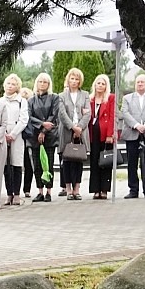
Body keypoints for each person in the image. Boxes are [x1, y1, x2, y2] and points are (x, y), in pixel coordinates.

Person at [120, 74, 145, 199]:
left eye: (142, 82)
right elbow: (125, 113)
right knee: (132, 163)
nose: (140, 84)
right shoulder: (127, 98)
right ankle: (133, 189)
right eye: (138, 82)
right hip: (132, 133)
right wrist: (136, 125)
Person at [59, 68, 90, 201]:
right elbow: (62, 113)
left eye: (77, 79)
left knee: (78, 160)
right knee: (66, 160)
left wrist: (80, 128)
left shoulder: (85, 95)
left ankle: (77, 188)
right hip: (67, 131)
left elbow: (87, 113)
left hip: (81, 132)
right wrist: (72, 127)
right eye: (72, 78)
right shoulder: (61, 96)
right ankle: (68, 189)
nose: (74, 81)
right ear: (68, 80)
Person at [27, 73, 60, 202]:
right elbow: (29, 116)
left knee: (49, 163)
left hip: (49, 135)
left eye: (45, 82)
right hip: (34, 135)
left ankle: (48, 191)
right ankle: (40, 190)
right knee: (37, 165)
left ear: (48, 84)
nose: (42, 84)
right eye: (40, 81)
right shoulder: (31, 100)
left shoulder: (54, 97)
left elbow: (54, 115)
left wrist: (44, 130)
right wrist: (41, 124)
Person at [0, 74, 29, 206]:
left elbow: (24, 119)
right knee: (6, 165)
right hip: (3, 135)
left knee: (16, 164)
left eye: (13, 84)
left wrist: (13, 134)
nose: (10, 86)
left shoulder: (22, 101)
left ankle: (17, 194)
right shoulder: (0, 101)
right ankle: (9, 194)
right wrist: (4, 134)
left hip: (17, 136)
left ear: (17, 86)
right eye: (8, 83)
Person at [86, 74, 116, 200]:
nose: (100, 85)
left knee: (105, 162)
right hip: (93, 133)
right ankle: (95, 189)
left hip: (105, 134)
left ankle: (104, 189)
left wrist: (110, 134)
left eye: (103, 84)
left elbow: (112, 116)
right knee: (94, 161)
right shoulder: (89, 99)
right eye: (98, 83)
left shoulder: (110, 98)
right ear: (95, 85)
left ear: (106, 86)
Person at [19, 86, 34, 198]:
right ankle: (24, 189)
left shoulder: (31, 108)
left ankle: (27, 189)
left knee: (28, 164)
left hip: (28, 138)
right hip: (19, 136)